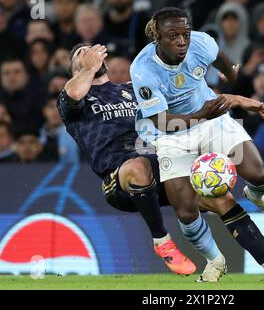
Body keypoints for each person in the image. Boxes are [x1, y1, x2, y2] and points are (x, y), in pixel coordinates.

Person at [131, 7, 264, 282]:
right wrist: (204, 112)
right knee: (186, 210)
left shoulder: (202, 43)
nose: (181, 41)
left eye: (185, 34)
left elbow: (226, 66)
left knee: (258, 173)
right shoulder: (142, 69)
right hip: (172, 133)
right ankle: (215, 260)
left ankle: (258, 194)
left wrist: (230, 78)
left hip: (212, 120)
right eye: (173, 36)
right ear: (158, 37)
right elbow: (162, 121)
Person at [57, 43, 197, 277]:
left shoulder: (131, 90)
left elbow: (175, 98)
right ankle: (162, 241)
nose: (90, 53)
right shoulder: (74, 99)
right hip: (119, 177)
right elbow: (72, 94)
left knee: (215, 189)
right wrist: (88, 69)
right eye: (82, 53)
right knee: (137, 166)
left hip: (161, 164)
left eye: (93, 50)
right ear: (74, 71)